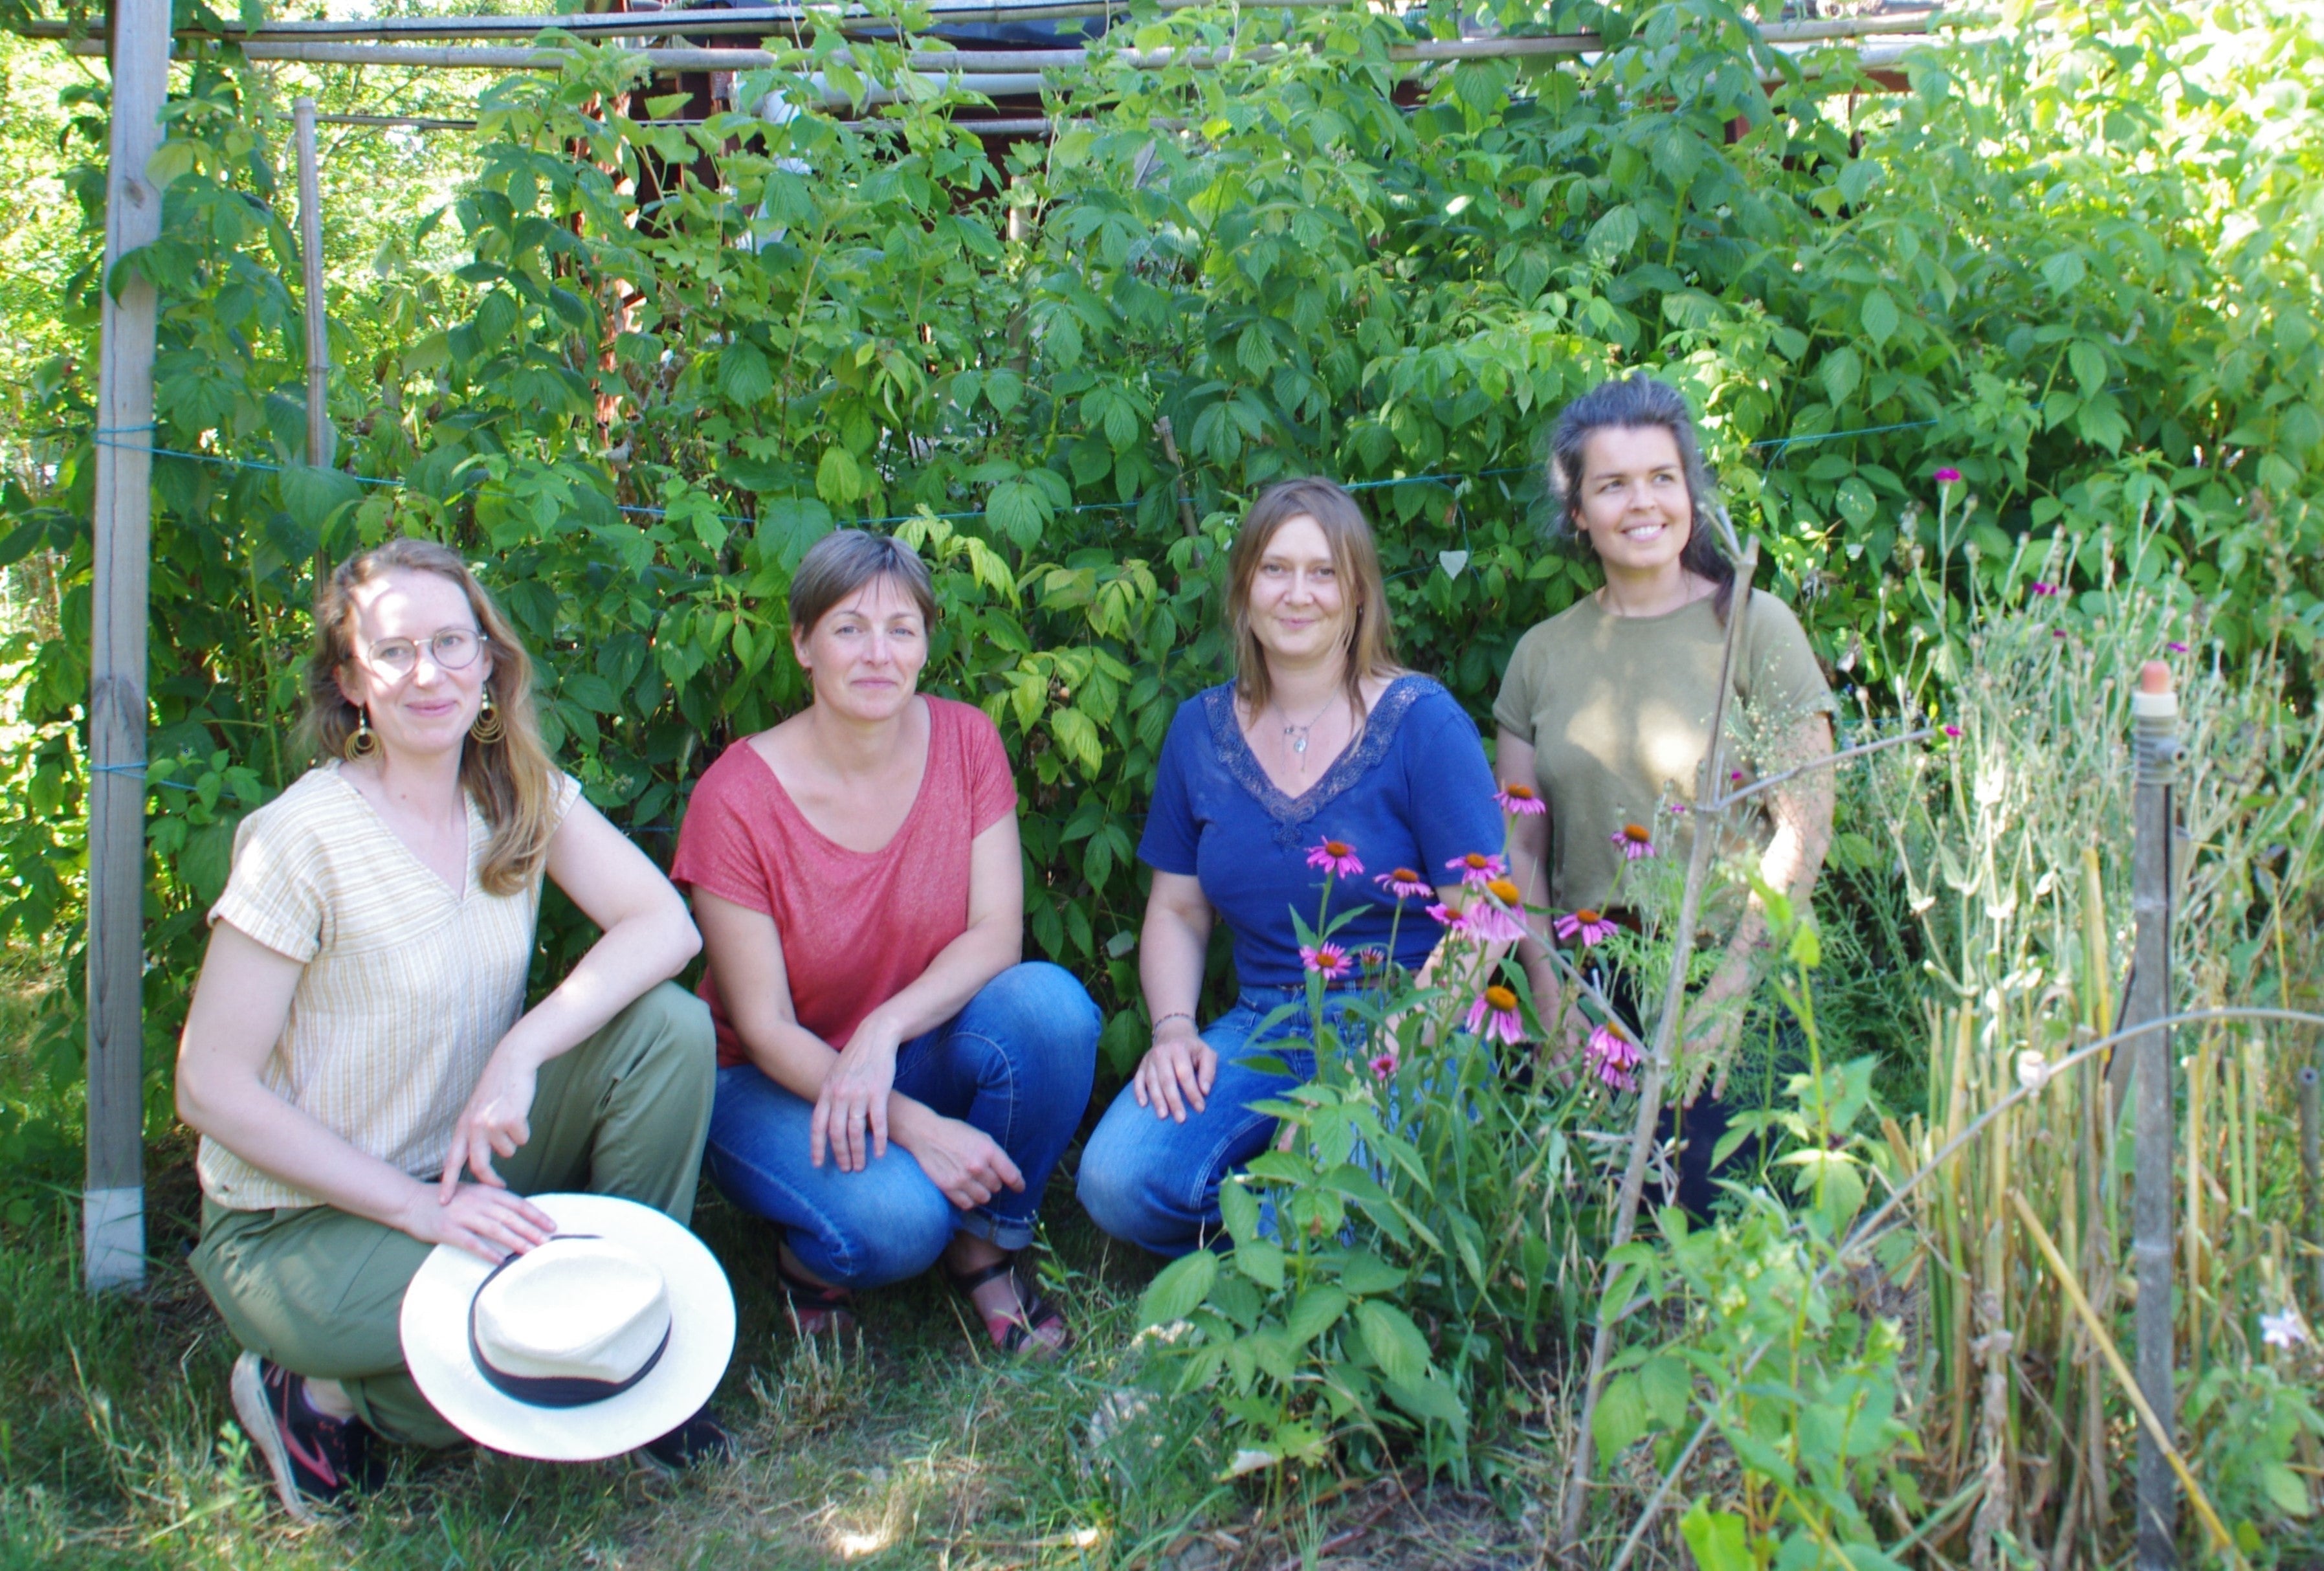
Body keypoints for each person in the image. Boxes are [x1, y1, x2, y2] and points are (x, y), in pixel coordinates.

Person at [177, 537, 725, 1524]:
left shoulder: (513, 792)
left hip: (463, 1163)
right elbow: (210, 1087)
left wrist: (520, 1051)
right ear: (350, 680)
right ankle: (312, 1390)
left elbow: (665, 927)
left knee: (668, 1029)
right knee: (498, 1360)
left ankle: (632, 1328)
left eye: (450, 643)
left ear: (488, 663)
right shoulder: (301, 840)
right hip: (297, 1222)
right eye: (393, 652)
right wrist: (416, 1210)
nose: (426, 672)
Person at [670, 529, 1098, 1354]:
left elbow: (995, 936)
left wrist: (881, 1032)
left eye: (901, 629)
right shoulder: (735, 800)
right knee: (901, 1223)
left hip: (904, 1046)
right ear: (801, 643)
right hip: (767, 1080)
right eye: (847, 629)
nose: (877, 654)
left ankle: (987, 1244)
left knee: (1051, 1011)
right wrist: (913, 1124)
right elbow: (762, 1028)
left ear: (926, 644)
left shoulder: (968, 741)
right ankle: (812, 1263)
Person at [1076, 477, 1506, 1256]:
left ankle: (1266, 1266)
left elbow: (1484, 917)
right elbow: (1176, 909)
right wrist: (1173, 1031)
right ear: (1244, 591)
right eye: (1275, 570)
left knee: (1339, 1179)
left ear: (1359, 595)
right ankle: (1280, 1231)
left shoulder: (1423, 722)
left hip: (1408, 1017)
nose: (1297, 594)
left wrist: (1403, 1041)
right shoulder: (1199, 731)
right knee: (1117, 1179)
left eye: (1324, 572)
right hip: (1267, 1021)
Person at [1492, 372, 1837, 1209]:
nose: (1639, 502)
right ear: (1578, 511)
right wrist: (1547, 989)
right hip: (1594, 973)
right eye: (1611, 484)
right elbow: (1519, 844)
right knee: (1560, 1198)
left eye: (1660, 478)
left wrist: (1723, 1000)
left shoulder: (1756, 626)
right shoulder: (1539, 654)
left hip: (1736, 958)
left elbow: (1804, 829)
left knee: (1708, 1205)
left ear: (1689, 492)